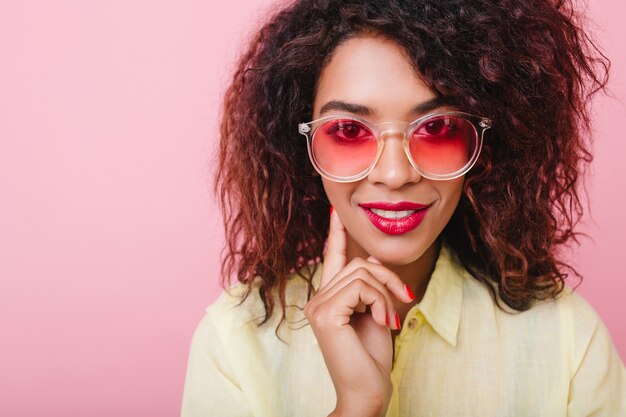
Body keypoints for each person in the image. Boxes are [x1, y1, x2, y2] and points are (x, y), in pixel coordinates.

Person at [181, 0, 626, 415]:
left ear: (486, 144)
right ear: (300, 147)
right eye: (349, 131)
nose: (394, 175)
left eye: (436, 127)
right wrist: (358, 404)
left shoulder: (566, 339)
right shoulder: (237, 341)